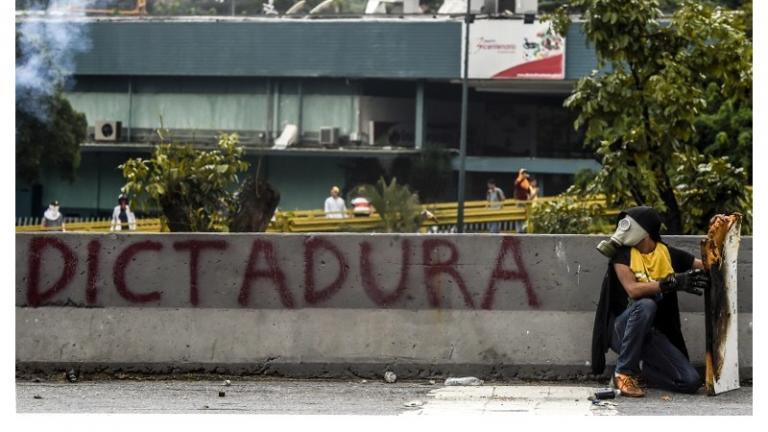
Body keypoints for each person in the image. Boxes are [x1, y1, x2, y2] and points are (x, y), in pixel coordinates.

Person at [591, 206, 710, 397]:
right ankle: (624, 372)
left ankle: (643, 374)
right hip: (622, 329)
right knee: (646, 304)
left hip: (651, 335)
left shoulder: (666, 254)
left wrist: (717, 259)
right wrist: (671, 284)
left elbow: (705, 266)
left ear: (645, 232)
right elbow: (633, 289)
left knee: (691, 381)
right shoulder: (622, 255)